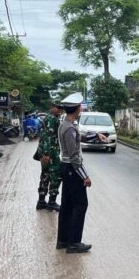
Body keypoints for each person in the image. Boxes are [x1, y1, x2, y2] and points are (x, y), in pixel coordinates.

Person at [57, 93, 106, 253]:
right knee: (80, 205)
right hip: (72, 169)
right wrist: (85, 176)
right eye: (81, 106)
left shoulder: (68, 124)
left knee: (67, 205)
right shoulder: (69, 127)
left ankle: (63, 240)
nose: (82, 108)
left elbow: (79, 137)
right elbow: (75, 157)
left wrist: (96, 135)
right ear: (77, 108)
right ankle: (74, 243)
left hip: (67, 168)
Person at [36, 102, 63, 211]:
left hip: (46, 152)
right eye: (58, 108)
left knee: (45, 175)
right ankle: (52, 202)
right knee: (56, 176)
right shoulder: (52, 119)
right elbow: (48, 137)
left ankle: (41, 201)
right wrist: (47, 154)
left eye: (61, 108)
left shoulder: (48, 118)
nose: (60, 110)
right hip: (51, 153)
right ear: (52, 108)